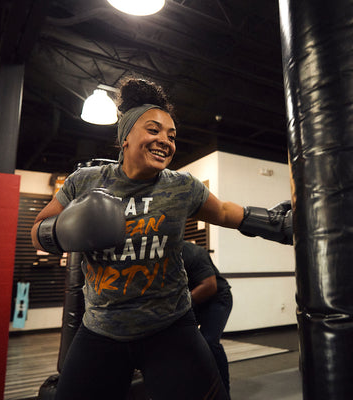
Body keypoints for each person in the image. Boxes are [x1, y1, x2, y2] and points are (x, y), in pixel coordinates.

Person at [30, 77, 292, 400]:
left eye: (171, 135)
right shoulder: (84, 182)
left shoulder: (182, 186)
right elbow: (37, 230)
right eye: (153, 130)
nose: (165, 141)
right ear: (125, 138)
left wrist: (277, 225)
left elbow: (224, 211)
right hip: (102, 328)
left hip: (171, 327)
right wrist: (64, 228)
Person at [182, 241, 233, 397]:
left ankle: (224, 392)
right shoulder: (160, 257)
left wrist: (179, 305)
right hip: (192, 301)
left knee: (209, 341)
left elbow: (210, 286)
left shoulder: (193, 253)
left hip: (216, 299)